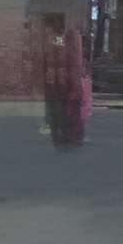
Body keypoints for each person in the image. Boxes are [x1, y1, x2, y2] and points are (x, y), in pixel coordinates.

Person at [39, 11, 93, 149]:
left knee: (67, 108)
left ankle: (68, 137)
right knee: (62, 109)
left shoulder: (65, 36)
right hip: (59, 78)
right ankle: (65, 137)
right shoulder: (57, 36)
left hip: (64, 78)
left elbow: (71, 59)